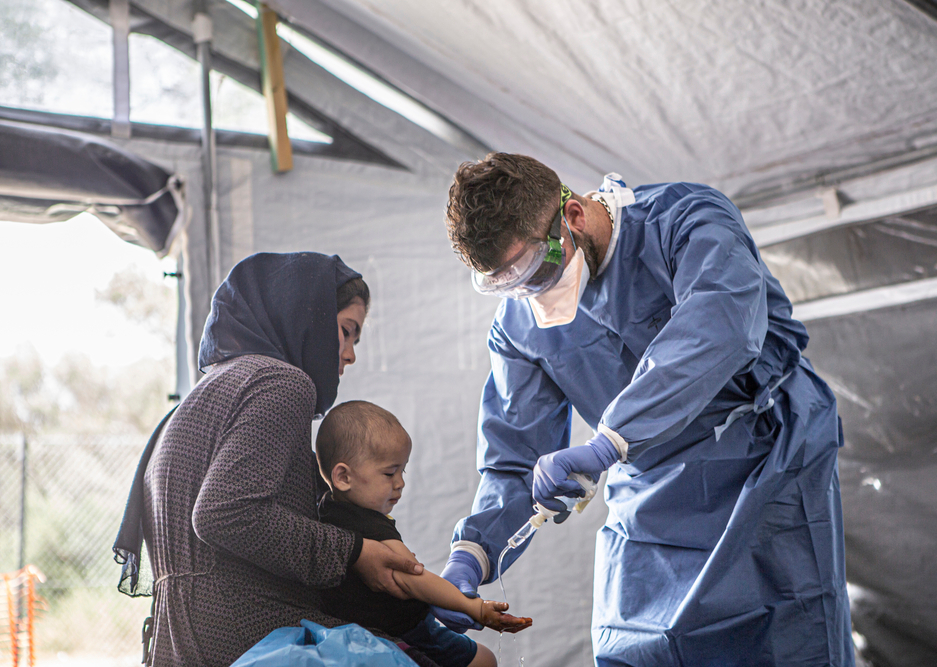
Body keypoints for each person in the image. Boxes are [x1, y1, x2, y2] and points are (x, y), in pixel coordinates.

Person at [433, 153, 854, 666]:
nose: (530, 295)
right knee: (638, 650)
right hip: (649, 493)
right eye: (506, 284)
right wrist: (473, 554)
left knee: (785, 639)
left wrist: (611, 439)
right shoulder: (519, 328)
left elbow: (720, 327)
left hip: (765, 459)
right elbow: (515, 457)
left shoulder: (684, 220)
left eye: (533, 269)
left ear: (572, 216)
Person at [119, 252, 425, 667]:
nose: (350, 354)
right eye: (345, 331)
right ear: (307, 316)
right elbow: (224, 515)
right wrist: (355, 552)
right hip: (247, 634)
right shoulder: (281, 383)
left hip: (177, 643)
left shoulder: (199, 398)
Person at [314, 400, 531, 667]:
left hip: (354, 631)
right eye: (389, 473)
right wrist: (475, 608)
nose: (400, 483)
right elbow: (413, 578)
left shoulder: (325, 511)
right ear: (343, 477)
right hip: (406, 631)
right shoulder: (370, 524)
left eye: (402, 471)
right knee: (485, 660)